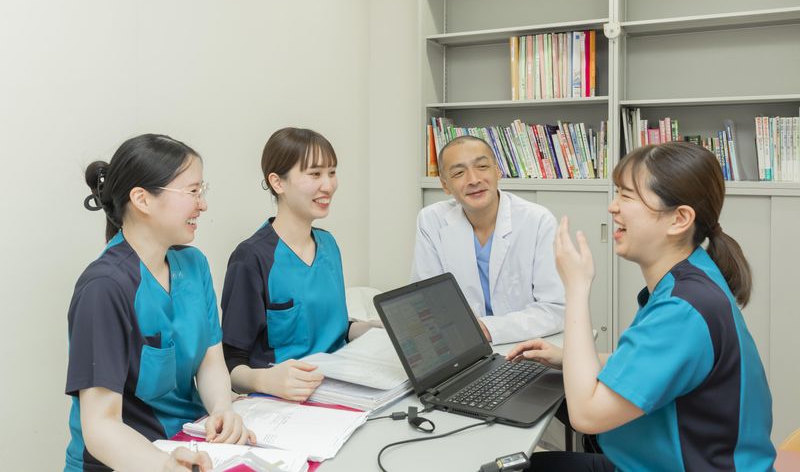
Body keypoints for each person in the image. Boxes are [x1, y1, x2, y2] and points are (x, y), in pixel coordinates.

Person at [508, 142, 776, 471]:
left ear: (679, 219)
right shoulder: (690, 277)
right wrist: (566, 357)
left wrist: (576, 288)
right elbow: (653, 364)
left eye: (627, 195)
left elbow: (587, 415)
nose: (612, 207)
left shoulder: (683, 309)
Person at [65, 134, 253, 472]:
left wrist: (222, 409)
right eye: (192, 191)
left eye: (202, 190)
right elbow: (101, 427)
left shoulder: (194, 265)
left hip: (192, 444)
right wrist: (164, 465)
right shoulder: (104, 288)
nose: (203, 205)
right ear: (142, 199)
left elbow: (210, 360)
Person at [220, 127, 378, 402]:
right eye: (315, 174)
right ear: (277, 183)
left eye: (332, 172)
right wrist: (264, 379)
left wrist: (373, 327)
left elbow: (334, 330)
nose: (328, 185)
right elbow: (231, 363)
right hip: (285, 401)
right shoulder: (251, 258)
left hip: (343, 388)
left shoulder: (328, 245)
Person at [411, 135, 565, 344]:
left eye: (482, 166)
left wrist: (487, 329)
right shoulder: (431, 220)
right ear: (445, 185)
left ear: (497, 171)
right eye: (458, 173)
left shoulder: (537, 220)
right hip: (462, 345)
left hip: (525, 343)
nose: (474, 179)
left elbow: (555, 308)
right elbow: (427, 302)